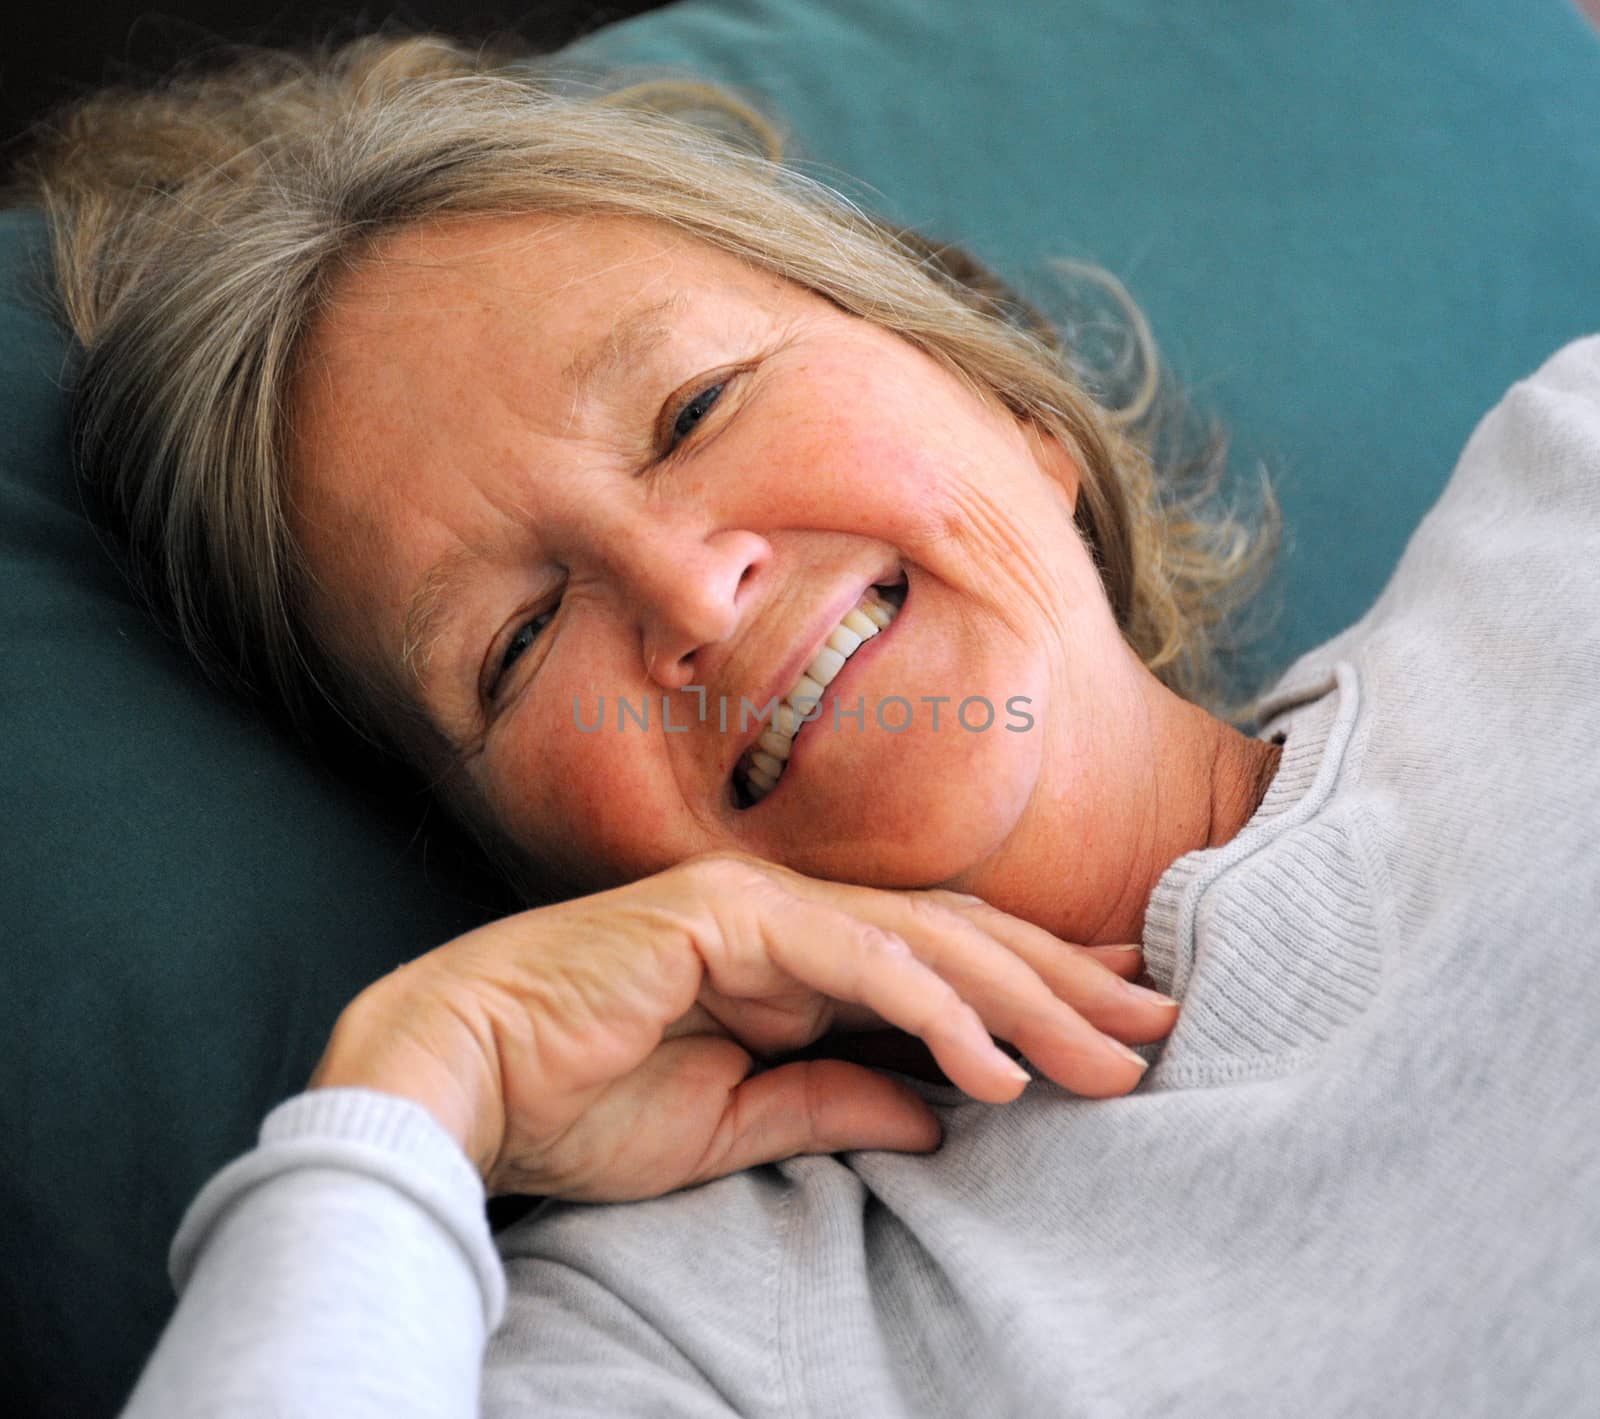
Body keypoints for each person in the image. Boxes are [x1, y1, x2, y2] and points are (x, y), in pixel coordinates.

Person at [10, 32, 1599, 1418]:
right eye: (515, 645)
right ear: (531, 863)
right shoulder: (702, 1335)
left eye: (694, 410)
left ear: (1005, 392)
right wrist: (410, 1101)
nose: (689, 592)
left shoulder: (1574, 493)